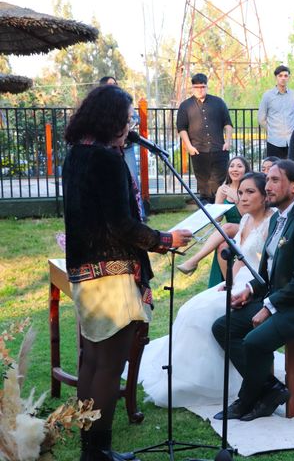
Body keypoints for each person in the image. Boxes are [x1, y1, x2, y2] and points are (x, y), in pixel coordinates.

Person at [62, 85, 192, 459]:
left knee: (92, 359)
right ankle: (98, 451)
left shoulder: (77, 155)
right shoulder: (106, 160)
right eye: (127, 116)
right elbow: (122, 224)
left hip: (86, 272)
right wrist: (166, 239)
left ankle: (91, 446)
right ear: (110, 119)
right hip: (113, 274)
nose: (131, 123)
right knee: (108, 364)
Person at [212, 160, 294, 422]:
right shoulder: (279, 218)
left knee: (254, 340)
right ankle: (270, 390)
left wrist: (269, 307)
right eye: (267, 180)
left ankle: (247, 400)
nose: (267, 187)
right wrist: (250, 289)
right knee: (223, 327)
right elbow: (270, 270)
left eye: (274, 180)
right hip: (285, 299)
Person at [138, 172, 273, 408]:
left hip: (256, 287)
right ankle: (188, 375)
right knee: (191, 308)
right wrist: (228, 283)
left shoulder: (271, 223)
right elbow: (240, 258)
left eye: (250, 192)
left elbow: (267, 266)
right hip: (238, 282)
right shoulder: (245, 220)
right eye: (240, 192)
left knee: (203, 315)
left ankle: (215, 382)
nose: (242, 197)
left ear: (265, 196)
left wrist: (244, 289)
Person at [176, 156, 250, 287]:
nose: (235, 169)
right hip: (231, 232)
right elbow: (217, 220)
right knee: (222, 246)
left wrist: (237, 199)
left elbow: (250, 216)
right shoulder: (224, 188)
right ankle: (229, 284)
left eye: (239, 166)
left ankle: (194, 260)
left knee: (226, 227)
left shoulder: (249, 188)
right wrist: (219, 200)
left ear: (246, 170)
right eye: (232, 166)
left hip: (248, 226)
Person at [177, 73, 233, 204]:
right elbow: (181, 128)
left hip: (219, 148)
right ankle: (205, 212)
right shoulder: (185, 106)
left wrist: (228, 142)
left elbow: (228, 124)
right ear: (192, 88)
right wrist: (189, 146)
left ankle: (217, 211)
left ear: (207, 86)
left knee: (218, 183)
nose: (200, 90)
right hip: (198, 150)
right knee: (203, 184)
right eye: (197, 87)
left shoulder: (218, 102)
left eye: (202, 87)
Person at [98, 76, 146, 220]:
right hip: (109, 149)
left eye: (115, 83)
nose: (114, 86)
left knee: (133, 181)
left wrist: (131, 121)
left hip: (127, 148)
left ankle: (139, 214)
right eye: (110, 84)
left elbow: (136, 118)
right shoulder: (100, 107)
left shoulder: (125, 102)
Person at [258, 65, 294, 158]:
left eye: (286, 76)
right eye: (280, 75)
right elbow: (261, 119)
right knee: (274, 169)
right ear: (276, 77)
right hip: (274, 141)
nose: (283, 78)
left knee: (292, 170)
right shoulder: (267, 96)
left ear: (289, 78)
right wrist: (271, 131)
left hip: (292, 141)